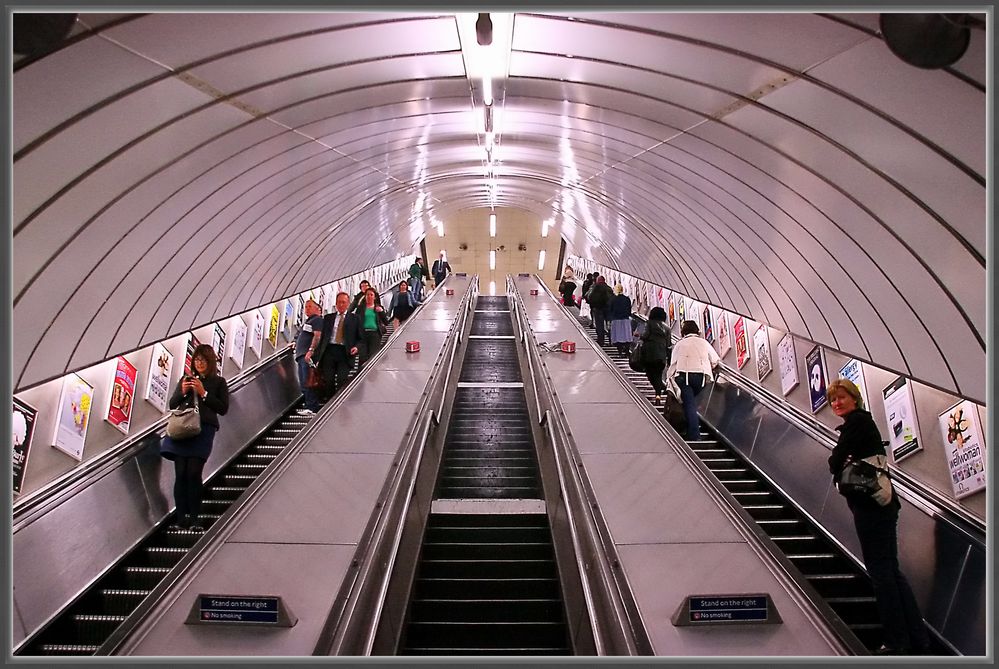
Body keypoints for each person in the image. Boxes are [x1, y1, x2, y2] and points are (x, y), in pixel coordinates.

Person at [826, 378, 931, 656]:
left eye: (841, 398)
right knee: (890, 571)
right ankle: (915, 637)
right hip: (881, 506)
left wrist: (840, 458)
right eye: (833, 400)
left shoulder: (857, 423)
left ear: (854, 398)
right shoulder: (861, 423)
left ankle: (896, 639)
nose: (837, 403)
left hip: (871, 506)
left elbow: (834, 462)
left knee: (881, 572)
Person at [160, 344, 229, 531]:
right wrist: (183, 391)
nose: (199, 363)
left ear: (210, 362)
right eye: (197, 360)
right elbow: (173, 404)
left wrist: (203, 393)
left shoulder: (219, 382)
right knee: (180, 474)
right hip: (182, 430)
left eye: (203, 360)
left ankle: (196, 520)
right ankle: (181, 519)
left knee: (193, 473)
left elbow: (223, 409)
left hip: (203, 430)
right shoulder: (186, 379)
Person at [665, 320, 720, 441]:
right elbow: (715, 360)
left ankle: (694, 435)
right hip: (701, 377)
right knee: (693, 404)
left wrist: (668, 379)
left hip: (684, 377)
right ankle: (691, 428)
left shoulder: (680, 344)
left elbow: (673, 364)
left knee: (689, 405)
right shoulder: (704, 343)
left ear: (683, 332)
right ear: (697, 330)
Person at [313, 292, 362, 399]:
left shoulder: (355, 319)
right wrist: (316, 355)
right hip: (330, 351)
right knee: (328, 379)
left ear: (348, 304)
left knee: (342, 379)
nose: (341, 305)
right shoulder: (328, 318)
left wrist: (356, 347)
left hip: (345, 352)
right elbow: (322, 338)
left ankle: (339, 402)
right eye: (339, 302)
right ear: (335, 303)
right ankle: (329, 403)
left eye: (343, 302)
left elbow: (361, 339)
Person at [296, 299, 324, 415]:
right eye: (306, 307)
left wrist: (310, 351)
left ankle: (312, 407)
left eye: (309, 307)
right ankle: (309, 405)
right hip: (301, 355)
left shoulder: (317, 320)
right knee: (303, 381)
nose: (306, 309)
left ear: (317, 309)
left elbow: (317, 336)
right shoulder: (308, 321)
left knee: (308, 380)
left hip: (307, 356)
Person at [640, 306, 672, 404]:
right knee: (658, 374)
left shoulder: (649, 324)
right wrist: (669, 359)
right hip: (661, 355)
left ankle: (659, 391)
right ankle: (658, 394)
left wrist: (640, 337)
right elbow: (668, 344)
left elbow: (645, 335)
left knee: (650, 374)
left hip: (649, 353)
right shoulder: (667, 328)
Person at [353, 287, 389, 365]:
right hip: (363, 335)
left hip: (375, 334)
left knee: (373, 356)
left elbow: (386, 322)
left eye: (371, 295)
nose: (369, 297)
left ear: (374, 297)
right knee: (362, 357)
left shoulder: (378, 308)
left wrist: (382, 312)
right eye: (367, 295)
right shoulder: (360, 308)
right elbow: (355, 321)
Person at [586, 276, 615, 346]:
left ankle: (601, 340)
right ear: (604, 280)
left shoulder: (595, 287)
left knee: (599, 325)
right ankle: (611, 341)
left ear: (597, 280)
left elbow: (588, 296)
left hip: (598, 309)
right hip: (608, 309)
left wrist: (592, 305)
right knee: (609, 325)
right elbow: (613, 299)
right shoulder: (609, 288)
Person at [608, 284, 633, 356]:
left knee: (618, 337)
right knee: (626, 336)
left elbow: (610, 310)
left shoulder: (613, 299)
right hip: (625, 320)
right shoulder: (627, 299)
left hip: (616, 320)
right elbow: (629, 310)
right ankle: (627, 351)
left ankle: (620, 352)